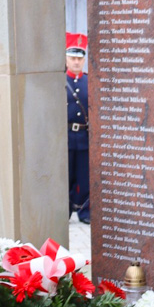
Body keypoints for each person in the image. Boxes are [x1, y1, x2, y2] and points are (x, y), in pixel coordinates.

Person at [66, 32, 90, 224]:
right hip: (65, 136)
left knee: (85, 178)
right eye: (72, 58)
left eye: (79, 59)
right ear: (66, 59)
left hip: (83, 136)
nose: (76, 62)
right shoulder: (60, 82)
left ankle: (85, 212)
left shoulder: (89, 82)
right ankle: (64, 211)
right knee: (66, 176)